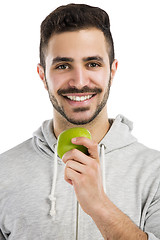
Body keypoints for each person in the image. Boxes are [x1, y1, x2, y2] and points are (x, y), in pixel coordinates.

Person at [0, 3, 160, 240]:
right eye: (63, 66)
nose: (79, 81)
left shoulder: (154, 172)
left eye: (92, 64)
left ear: (112, 72)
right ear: (43, 76)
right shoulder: (4, 171)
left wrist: (99, 206)